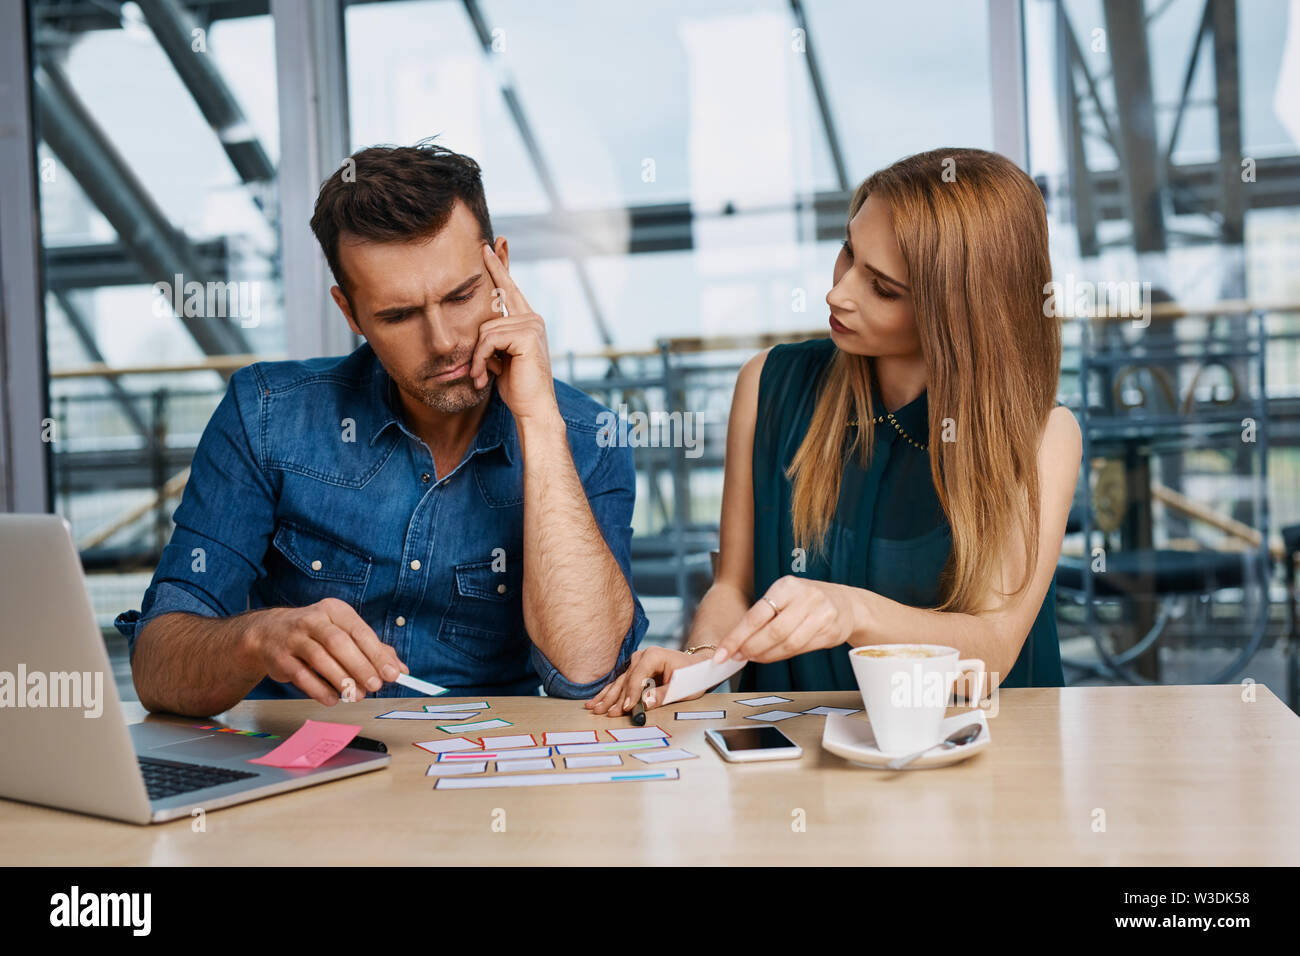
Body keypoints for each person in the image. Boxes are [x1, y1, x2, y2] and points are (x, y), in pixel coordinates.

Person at [116, 141, 646, 716]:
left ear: (501, 267)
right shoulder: (267, 415)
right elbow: (157, 668)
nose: (443, 341)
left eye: (461, 295)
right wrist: (257, 638)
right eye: (398, 316)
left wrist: (540, 423)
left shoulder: (587, 437)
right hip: (292, 775)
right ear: (351, 313)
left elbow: (588, 673)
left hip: (486, 778)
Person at [588, 147, 1081, 717]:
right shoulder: (768, 384)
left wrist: (851, 613)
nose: (838, 293)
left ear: (958, 312)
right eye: (848, 250)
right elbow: (733, 586)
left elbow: (992, 652)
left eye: (883, 288)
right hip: (797, 755)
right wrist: (699, 659)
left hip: (989, 763)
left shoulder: (1044, 436)